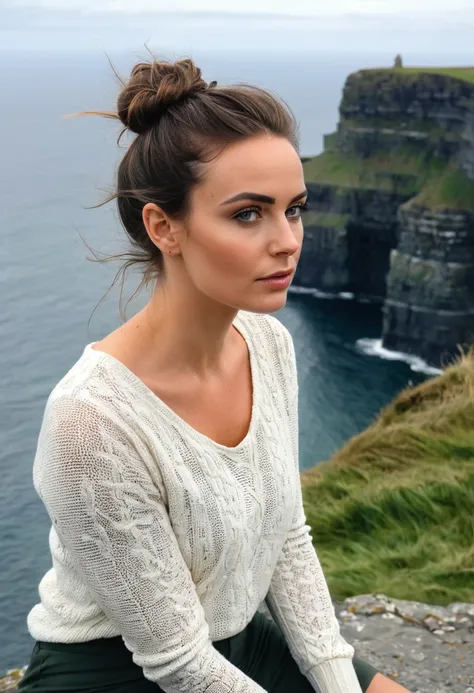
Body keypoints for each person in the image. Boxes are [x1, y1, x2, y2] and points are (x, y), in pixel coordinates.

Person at [19, 57, 410, 693]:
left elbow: (287, 533)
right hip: (116, 671)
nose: (287, 240)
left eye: (295, 208)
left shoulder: (267, 343)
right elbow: (175, 662)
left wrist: (338, 680)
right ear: (162, 226)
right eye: (249, 214)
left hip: (235, 642)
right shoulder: (91, 423)